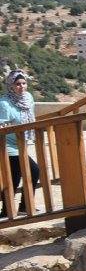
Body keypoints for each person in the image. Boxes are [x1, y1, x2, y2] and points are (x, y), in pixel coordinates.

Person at [0, 70, 41, 217]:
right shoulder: (4, 103)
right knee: (33, 171)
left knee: (14, 177)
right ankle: (21, 207)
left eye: (24, 83)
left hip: (22, 144)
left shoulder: (28, 98)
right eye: (18, 84)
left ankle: (9, 209)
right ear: (11, 85)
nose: (21, 87)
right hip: (8, 146)